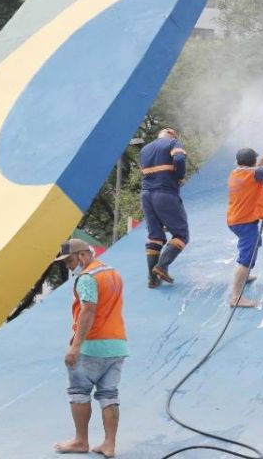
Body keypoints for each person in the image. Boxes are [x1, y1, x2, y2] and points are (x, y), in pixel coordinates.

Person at [52, 239, 127, 458]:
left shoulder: (86, 278)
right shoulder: (112, 273)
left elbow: (88, 311)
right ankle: (109, 445)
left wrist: (75, 347)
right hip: (117, 344)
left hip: (91, 346)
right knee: (109, 395)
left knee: (79, 393)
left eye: (70, 260)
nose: (68, 266)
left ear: (83, 255)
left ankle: (80, 441)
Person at [226, 140, 263, 308]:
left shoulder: (236, 172)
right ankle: (236, 297)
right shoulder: (252, 174)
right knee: (246, 258)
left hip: (235, 220)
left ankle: (244, 276)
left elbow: (257, 167)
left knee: (255, 243)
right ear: (252, 162)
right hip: (245, 222)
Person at [138, 128, 189, 288]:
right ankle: (161, 266)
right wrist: (179, 177)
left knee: (155, 236)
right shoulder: (173, 143)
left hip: (146, 195)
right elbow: (179, 159)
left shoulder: (145, 149)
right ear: (172, 136)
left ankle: (152, 280)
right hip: (165, 193)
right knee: (181, 234)